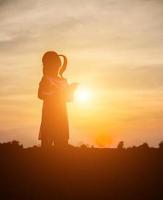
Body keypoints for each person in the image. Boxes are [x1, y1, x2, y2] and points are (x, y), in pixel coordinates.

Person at [38, 51, 77, 150]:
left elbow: (69, 99)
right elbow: (41, 94)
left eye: (57, 65)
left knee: (62, 144)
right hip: (49, 115)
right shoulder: (46, 79)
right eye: (54, 65)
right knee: (47, 144)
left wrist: (71, 90)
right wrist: (58, 93)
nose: (56, 68)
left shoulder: (63, 81)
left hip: (62, 116)